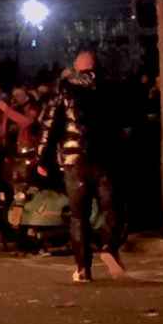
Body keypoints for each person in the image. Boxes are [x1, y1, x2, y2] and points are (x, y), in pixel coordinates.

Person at [37, 50, 127, 283]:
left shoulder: (64, 90)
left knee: (79, 216)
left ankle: (83, 268)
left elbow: (49, 126)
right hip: (104, 158)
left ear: (77, 67)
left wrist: (42, 158)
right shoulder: (111, 88)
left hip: (74, 160)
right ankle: (108, 246)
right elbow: (122, 123)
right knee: (111, 207)